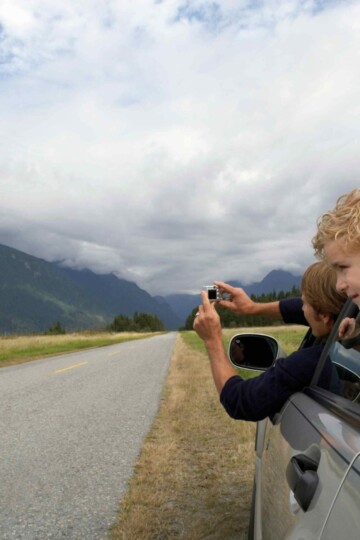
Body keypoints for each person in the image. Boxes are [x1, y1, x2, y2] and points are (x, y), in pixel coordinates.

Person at [193, 262, 346, 421]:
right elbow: (306, 310)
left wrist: (212, 340)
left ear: (324, 316)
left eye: (305, 302)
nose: (301, 308)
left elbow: (241, 401)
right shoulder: (349, 325)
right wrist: (252, 308)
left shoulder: (311, 362)